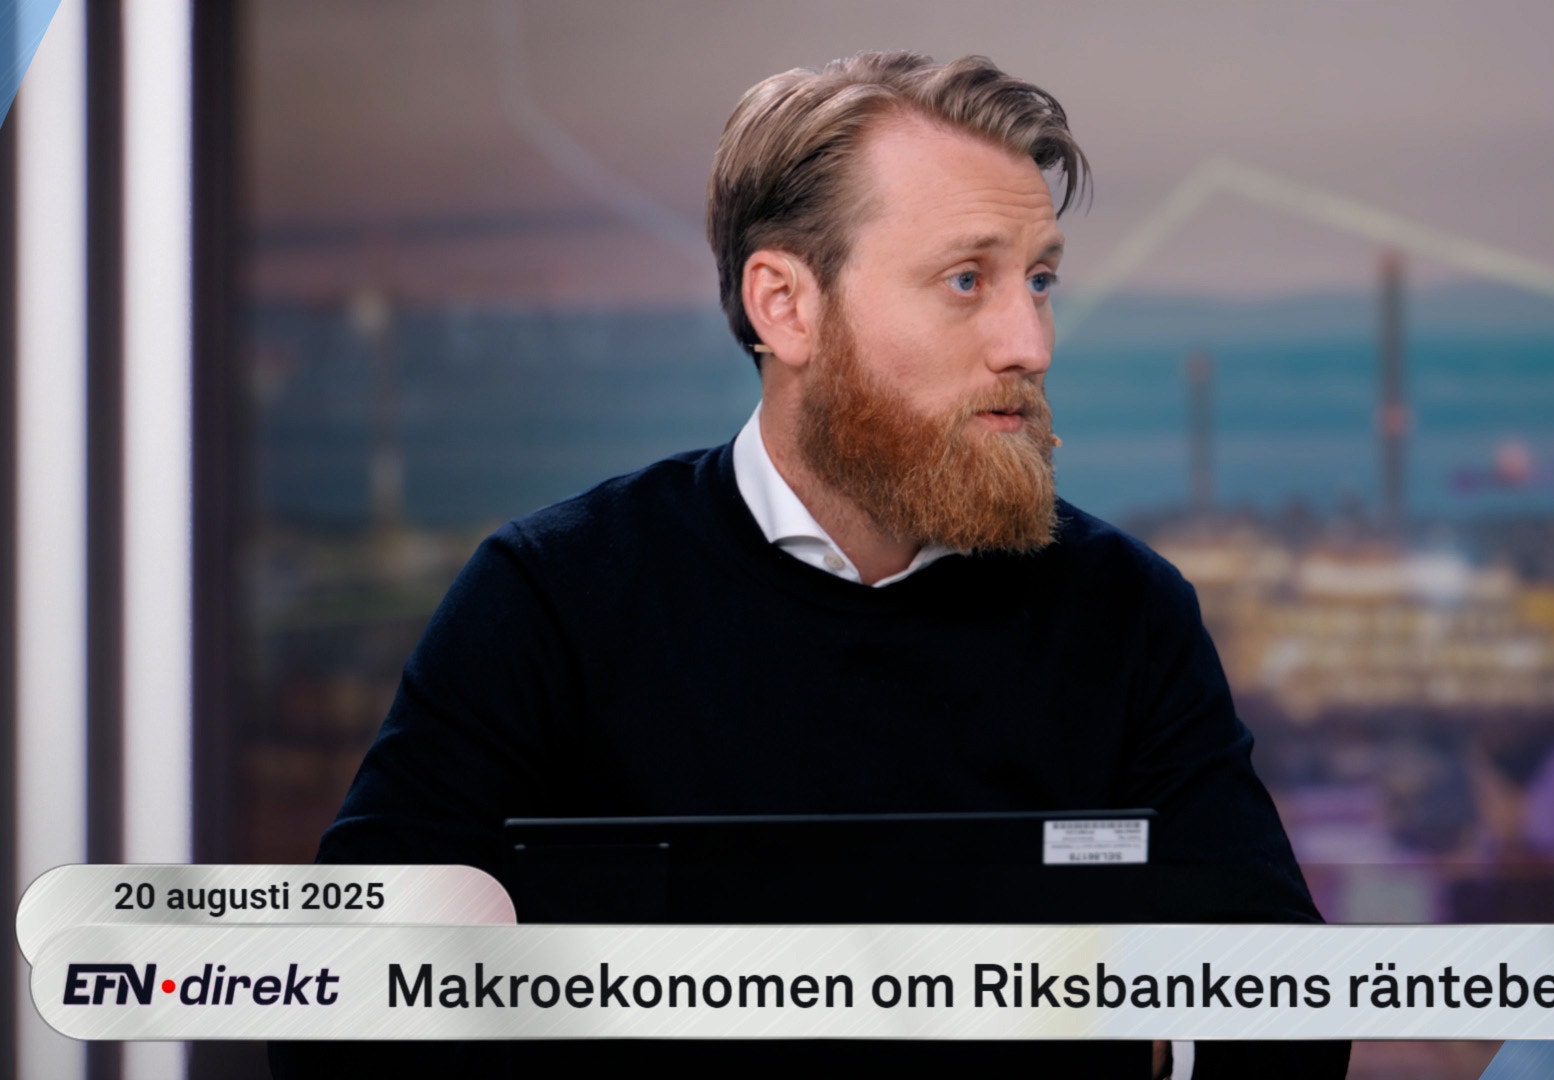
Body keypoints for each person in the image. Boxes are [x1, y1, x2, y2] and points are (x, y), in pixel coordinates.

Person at [277, 51, 1346, 1079]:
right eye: (967, 279)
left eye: (1040, 280)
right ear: (785, 306)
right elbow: (338, 1014)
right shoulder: (551, 598)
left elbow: (1286, 1013)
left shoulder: (1124, 611)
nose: (1030, 342)